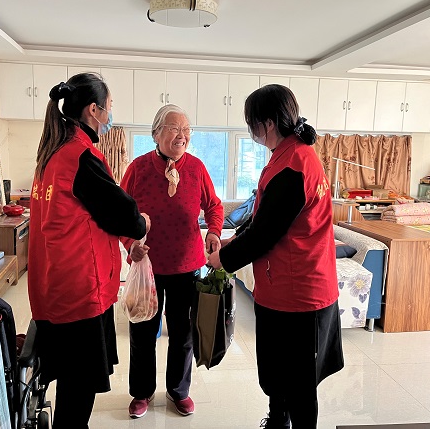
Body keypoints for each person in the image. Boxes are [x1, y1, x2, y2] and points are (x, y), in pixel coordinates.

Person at [207, 84, 344, 429]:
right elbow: (262, 216)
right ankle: (278, 420)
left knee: (299, 383)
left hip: (298, 294)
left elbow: (267, 233)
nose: (251, 131)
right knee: (277, 372)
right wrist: (233, 239)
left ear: (267, 123)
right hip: (281, 286)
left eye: (252, 123)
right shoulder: (288, 155)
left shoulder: (295, 164)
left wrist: (224, 259)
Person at [27, 72, 151, 429]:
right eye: (109, 107)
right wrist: (141, 223)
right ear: (93, 110)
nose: (111, 115)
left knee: (70, 382)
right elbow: (121, 213)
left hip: (54, 285)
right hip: (80, 291)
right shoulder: (80, 156)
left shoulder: (51, 155)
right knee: (78, 391)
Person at [120, 104, 224, 419]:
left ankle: (178, 391)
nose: (182, 135)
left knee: (183, 334)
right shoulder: (138, 168)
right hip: (146, 268)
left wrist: (214, 232)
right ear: (156, 134)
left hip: (187, 266)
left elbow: (214, 206)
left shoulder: (197, 167)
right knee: (142, 332)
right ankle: (142, 392)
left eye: (186, 129)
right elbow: (119, 215)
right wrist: (130, 245)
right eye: (174, 128)